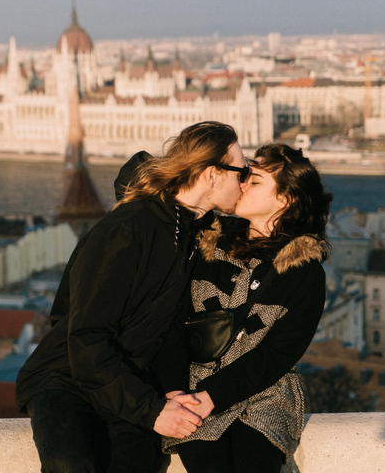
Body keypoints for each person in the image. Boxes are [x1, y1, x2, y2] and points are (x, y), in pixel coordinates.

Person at [15, 121, 251, 473]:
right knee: (72, 466)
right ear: (212, 174)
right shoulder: (128, 230)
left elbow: (168, 327)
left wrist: (168, 392)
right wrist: (151, 410)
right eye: (242, 172)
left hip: (128, 383)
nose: (245, 182)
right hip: (67, 379)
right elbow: (85, 337)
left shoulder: (189, 232)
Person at [161, 143, 333, 473]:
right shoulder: (206, 244)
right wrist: (176, 392)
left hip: (263, 397)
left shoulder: (304, 272)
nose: (240, 184)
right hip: (194, 389)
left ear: (285, 199)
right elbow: (171, 324)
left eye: (254, 182)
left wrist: (212, 397)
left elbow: (277, 355)